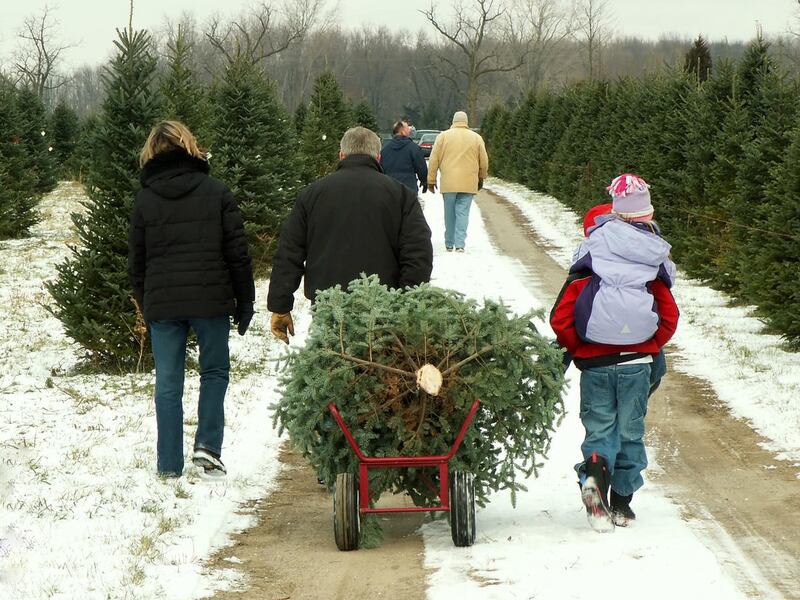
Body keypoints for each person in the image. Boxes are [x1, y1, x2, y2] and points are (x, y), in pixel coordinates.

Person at [550, 174, 679, 532]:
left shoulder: (591, 256)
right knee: (630, 432)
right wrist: (651, 345)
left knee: (600, 429)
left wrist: (579, 348)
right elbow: (669, 316)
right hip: (638, 363)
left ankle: (593, 480)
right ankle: (622, 505)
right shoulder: (651, 260)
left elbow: (562, 317)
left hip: (596, 364)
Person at [128, 120, 255, 479]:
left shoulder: (145, 200)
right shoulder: (216, 192)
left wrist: (147, 301)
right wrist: (245, 302)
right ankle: (207, 448)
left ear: (152, 151)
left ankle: (169, 464)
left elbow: (135, 263)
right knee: (214, 372)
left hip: (164, 304)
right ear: (189, 146)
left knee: (168, 382)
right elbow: (238, 254)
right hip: (210, 301)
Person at [267, 126, 433, 343]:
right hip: (383, 309)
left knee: (329, 369)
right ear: (379, 157)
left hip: (328, 306)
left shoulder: (312, 195)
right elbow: (418, 254)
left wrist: (280, 306)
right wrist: (405, 303)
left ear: (341, 155)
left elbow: (289, 253)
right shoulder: (401, 195)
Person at [426, 110, 488, 253]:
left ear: (453, 121)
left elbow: (434, 159)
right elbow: (483, 161)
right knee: (463, 213)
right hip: (468, 181)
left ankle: (449, 242)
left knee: (449, 213)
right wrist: (481, 176)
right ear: (466, 122)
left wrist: (431, 180)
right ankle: (460, 244)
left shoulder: (443, 137)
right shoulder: (476, 138)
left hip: (449, 182)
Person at [379, 120, 428, 194]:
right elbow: (421, 167)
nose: (410, 130)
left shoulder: (385, 149)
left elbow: (380, 169)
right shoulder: (413, 148)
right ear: (402, 132)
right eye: (407, 128)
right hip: (409, 189)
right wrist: (424, 181)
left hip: (390, 189)